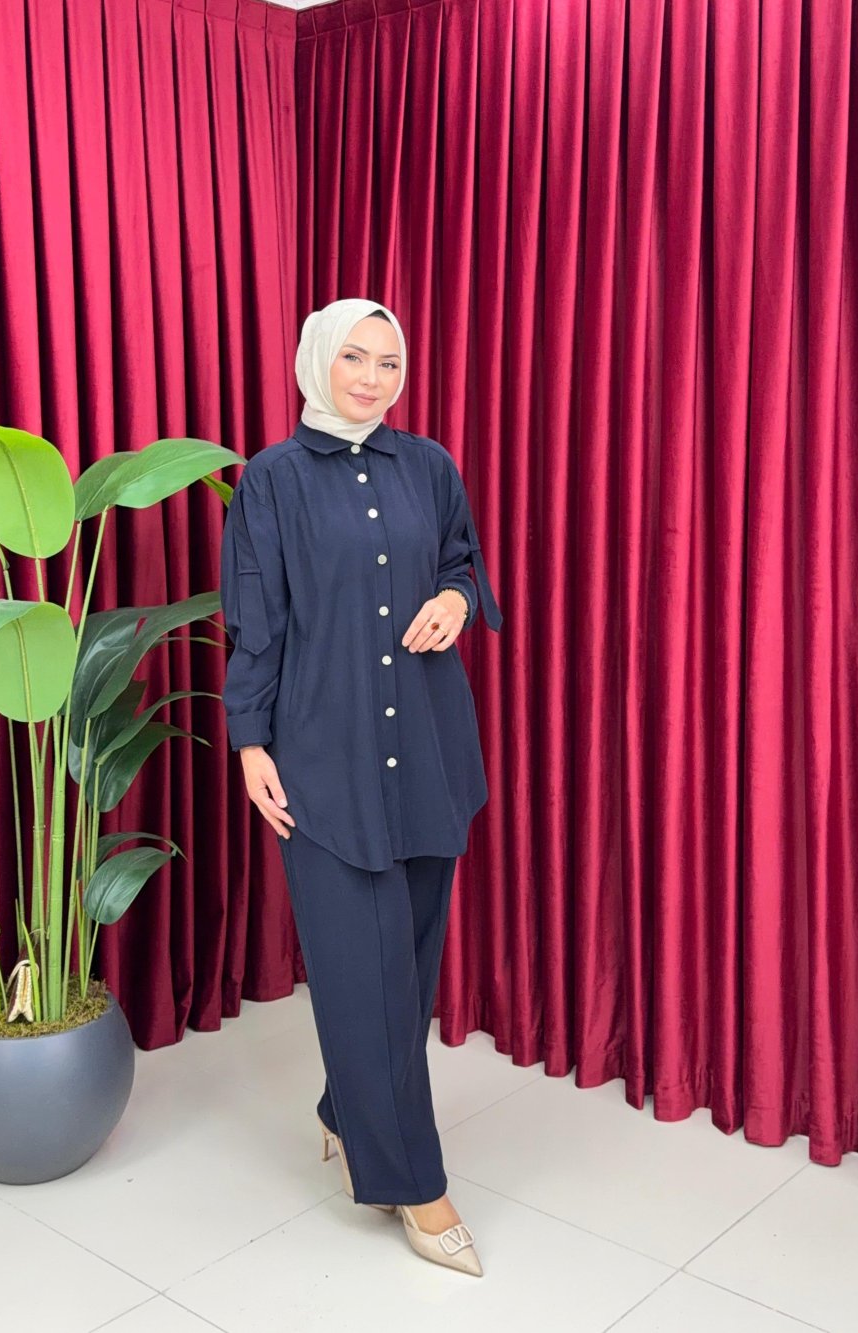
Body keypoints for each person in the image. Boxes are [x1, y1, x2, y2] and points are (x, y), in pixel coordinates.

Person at [220, 297, 503, 1277]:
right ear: (316, 362)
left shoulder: (428, 465)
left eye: (389, 362)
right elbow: (255, 622)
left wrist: (456, 598)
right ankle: (412, 1182)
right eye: (355, 358)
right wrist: (250, 742)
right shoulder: (271, 480)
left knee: (408, 968)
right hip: (321, 757)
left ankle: (346, 1109)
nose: (374, 379)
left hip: (427, 749)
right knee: (359, 972)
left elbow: (464, 560)